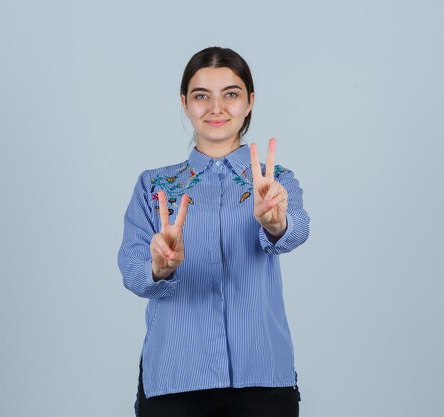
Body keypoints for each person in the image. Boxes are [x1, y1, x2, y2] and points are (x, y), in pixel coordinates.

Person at [118, 46, 310, 417]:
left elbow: (298, 229)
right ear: (185, 103)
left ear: (250, 101)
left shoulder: (275, 180)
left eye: (231, 94)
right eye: (201, 95)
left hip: (263, 378)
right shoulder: (153, 186)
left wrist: (275, 225)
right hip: (175, 380)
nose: (216, 108)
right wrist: (160, 267)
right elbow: (132, 270)